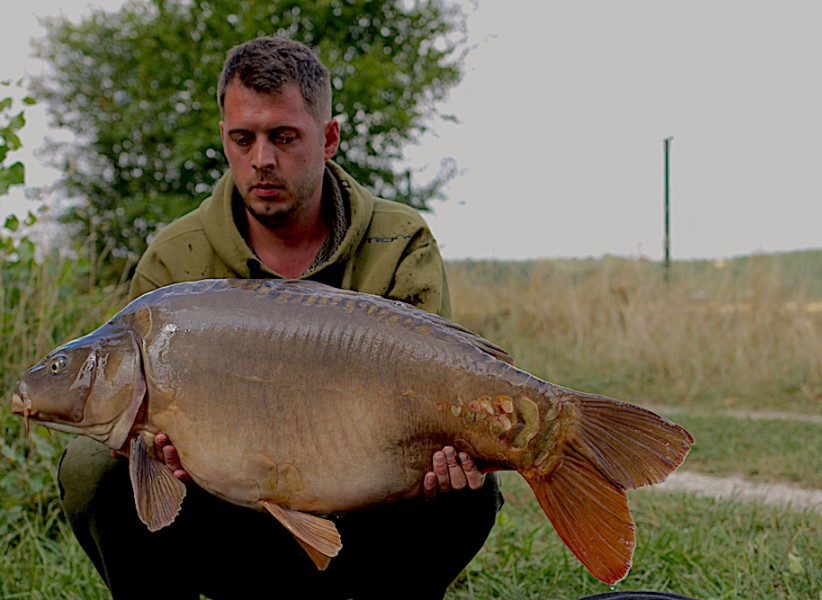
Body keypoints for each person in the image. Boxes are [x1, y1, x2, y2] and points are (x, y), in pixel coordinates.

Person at [57, 36, 503, 599]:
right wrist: (161, 454)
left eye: (284, 137)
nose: (262, 159)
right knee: (93, 466)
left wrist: (450, 452)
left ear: (329, 138)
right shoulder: (177, 258)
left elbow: (435, 396)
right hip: (224, 525)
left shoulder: (399, 241)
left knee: (467, 492)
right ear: (225, 139)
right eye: (243, 139)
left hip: (370, 517)